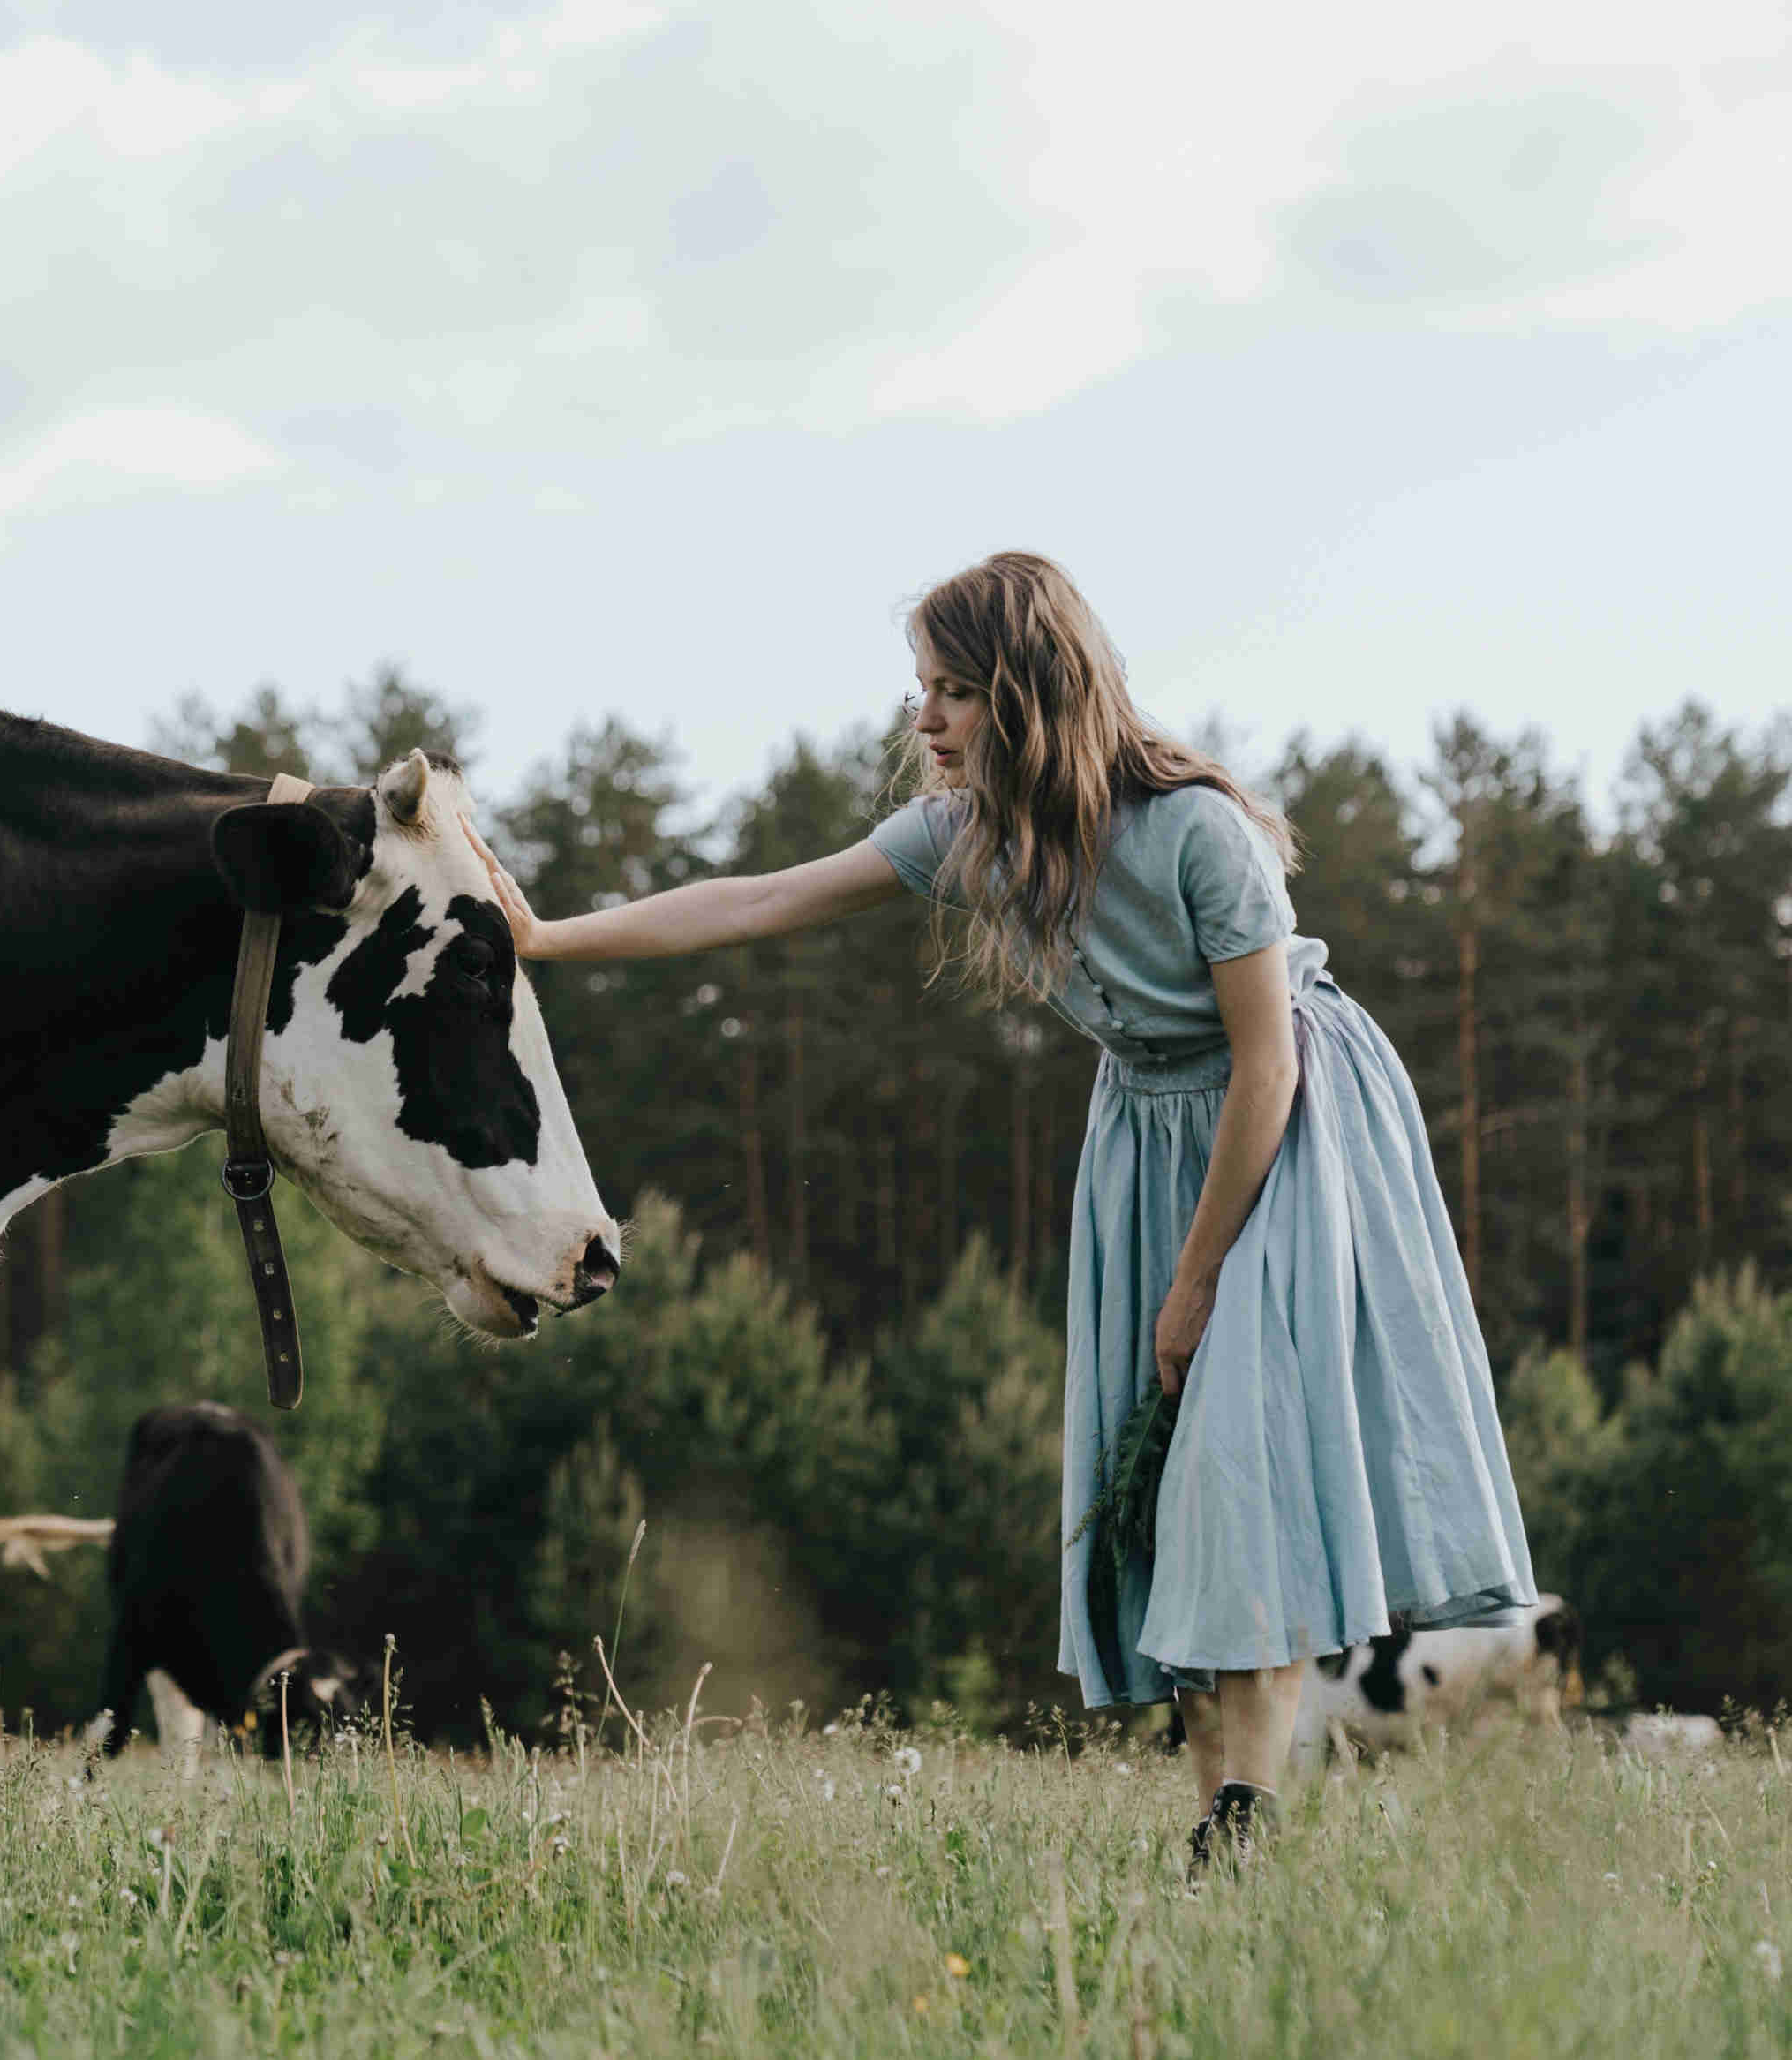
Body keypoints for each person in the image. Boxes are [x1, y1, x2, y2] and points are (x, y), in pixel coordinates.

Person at [470, 551, 1535, 1870]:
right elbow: (756, 899)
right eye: (922, 689)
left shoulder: (1200, 831)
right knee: (1163, 1491)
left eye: (954, 692)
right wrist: (552, 938)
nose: (925, 720)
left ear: (1030, 694)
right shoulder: (971, 838)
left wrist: (1197, 1280)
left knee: (1236, 1473)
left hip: (1284, 1134)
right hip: (1144, 1134)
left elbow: (1267, 1063)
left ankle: (1246, 1820)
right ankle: (1223, 1825)